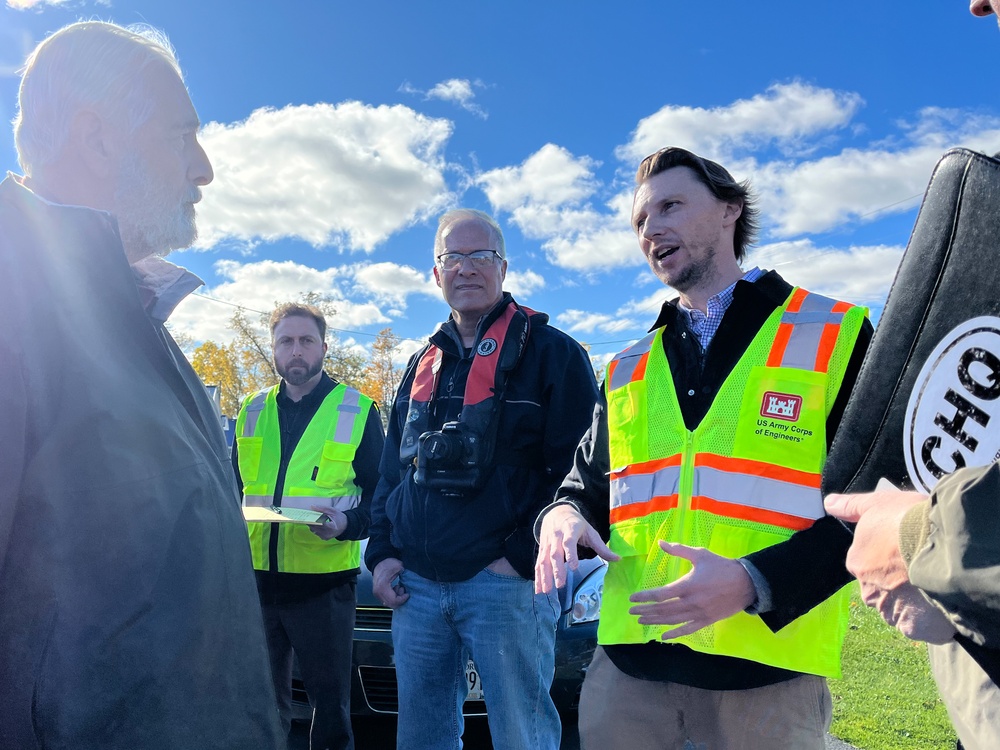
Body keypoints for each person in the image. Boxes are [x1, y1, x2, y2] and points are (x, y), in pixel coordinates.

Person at [0, 21, 283, 749]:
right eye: (182, 135)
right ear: (96, 141)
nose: (204, 169)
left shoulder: (136, 321)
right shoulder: (14, 296)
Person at [534, 147, 873, 749]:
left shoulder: (835, 333)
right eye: (640, 221)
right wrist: (561, 517)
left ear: (729, 210)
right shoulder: (629, 365)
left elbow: (873, 504)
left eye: (670, 206)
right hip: (630, 672)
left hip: (764, 675)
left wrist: (754, 580)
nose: (651, 229)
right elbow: (586, 487)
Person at [365, 208, 599, 749]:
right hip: (416, 588)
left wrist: (517, 558)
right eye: (453, 257)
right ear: (435, 272)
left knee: (523, 734)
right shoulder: (420, 362)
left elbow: (582, 473)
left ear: (503, 267)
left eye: (481, 256)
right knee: (422, 736)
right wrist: (383, 556)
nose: (466, 269)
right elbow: (390, 474)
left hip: (508, 586)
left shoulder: (554, 354)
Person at [233, 303, 384, 750]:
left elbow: (383, 496)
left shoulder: (356, 409)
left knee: (331, 710)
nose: (295, 350)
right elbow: (231, 488)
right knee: (258, 704)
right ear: (274, 349)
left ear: (323, 346)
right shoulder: (251, 409)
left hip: (323, 587)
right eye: (286, 341)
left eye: (305, 340)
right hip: (255, 584)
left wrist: (347, 523)